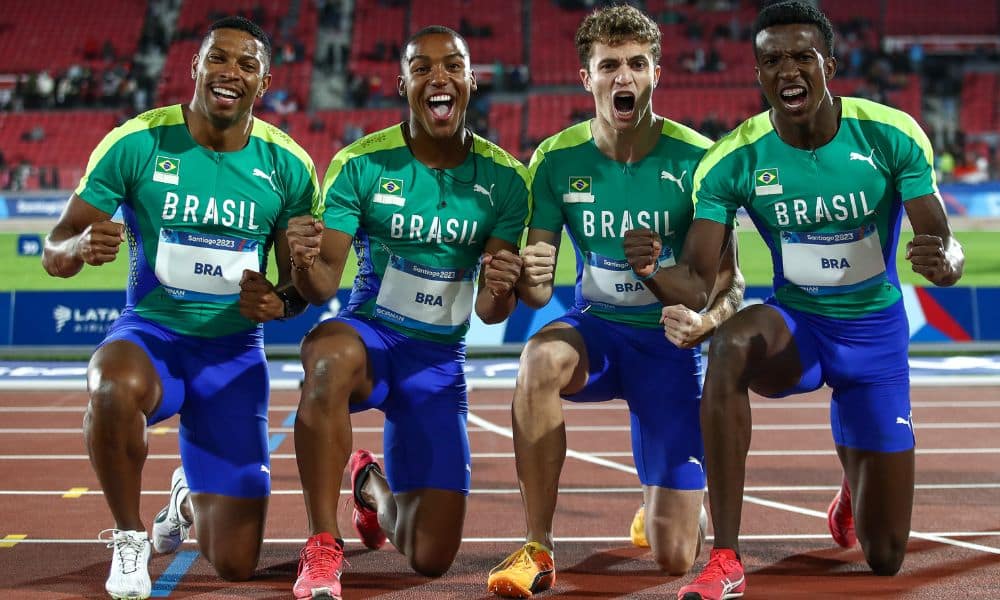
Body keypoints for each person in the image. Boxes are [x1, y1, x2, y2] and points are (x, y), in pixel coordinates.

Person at [622, 3, 964, 599]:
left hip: (874, 337)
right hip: (798, 328)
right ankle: (726, 557)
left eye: (803, 56)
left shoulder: (890, 133)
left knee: (885, 557)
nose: (788, 70)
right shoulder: (733, 158)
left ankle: (857, 480)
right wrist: (651, 272)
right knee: (730, 343)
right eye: (772, 60)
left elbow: (945, 243)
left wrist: (947, 264)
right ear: (758, 73)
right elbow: (699, 283)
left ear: (829, 64)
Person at [41, 17, 318, 600]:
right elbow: (54, 249)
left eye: (247, 65)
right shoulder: (136, 141)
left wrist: (280, 301)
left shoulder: (289, 166)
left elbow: (299, 286)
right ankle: (128, 537)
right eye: (218, 58)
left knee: (235, 564)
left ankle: (185, 499)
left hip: (233, 355)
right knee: (111, 386)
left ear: (264, 82)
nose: (230, 73)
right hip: (151, 337)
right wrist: (79, 246)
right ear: (195, 66)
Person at [486, 5, 744, 597]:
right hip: (596, 330)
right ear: (587, 78)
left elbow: (731, 283)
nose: (623, 76)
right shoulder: (555, 159)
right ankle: (537, 547)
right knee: (538, 359)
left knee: (674, 557)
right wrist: (522, 275)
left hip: (668, 345)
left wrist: (705, 321)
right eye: (609, 66)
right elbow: (539, 290)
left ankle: (674, 506)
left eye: (636, 64)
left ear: (656, 74)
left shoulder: (699, 159)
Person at [285, 26, 531, 600]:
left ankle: (369, 486)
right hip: (371, 340)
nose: (438, 78)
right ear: (403, 84)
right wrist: (301, 260)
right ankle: (322, 543)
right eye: (422, 68)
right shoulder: (361, 163)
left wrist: (502, 287)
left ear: (471, 81)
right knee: (325, 352)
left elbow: (492, 310)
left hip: (437, 364)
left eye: (453, 67)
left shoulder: (506, 180)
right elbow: (322, 283)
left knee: (430, 559)